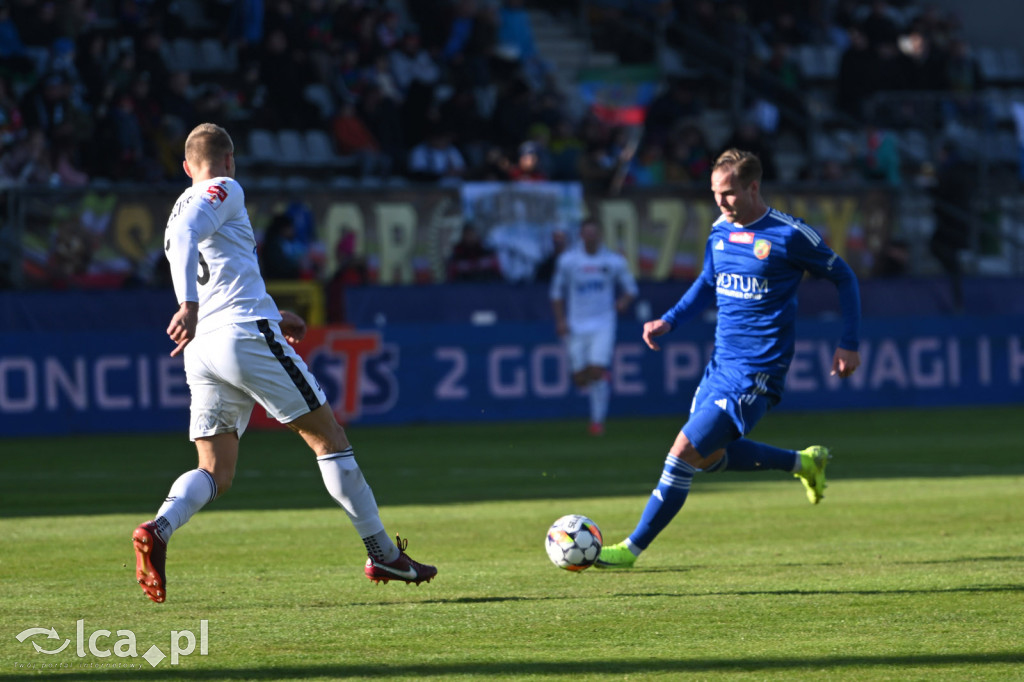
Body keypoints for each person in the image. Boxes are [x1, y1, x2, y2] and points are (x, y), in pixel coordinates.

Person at [132, 123, 436, 603]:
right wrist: (188, 304)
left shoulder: (175, 212)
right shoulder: (225, 187)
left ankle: (159, 527)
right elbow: (197, 243)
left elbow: (220, 267)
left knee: (214, 469)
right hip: (240, 336)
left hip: (204, 349)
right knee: (328, 439)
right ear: (228, 161)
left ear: (185, 166)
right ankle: (382, 553)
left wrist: (268, 311)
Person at [596, 148, 861, 569]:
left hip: (758, 371)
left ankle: (630, 550)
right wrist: (670, 320)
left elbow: (844, 276)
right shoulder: (720, 230)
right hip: (720, 367)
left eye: (729, 194)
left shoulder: (789, 235)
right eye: (716, 193)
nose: (720, 202)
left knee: (681, 454)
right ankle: (804, 462)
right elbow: (707, 281)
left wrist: (849, 342)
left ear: (753, 187)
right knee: (710, 458)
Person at [550, 219, 638, 436]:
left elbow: (630, 289)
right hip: (575, 324)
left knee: (596, 371)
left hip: (603, 323)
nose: (590, 237)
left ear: (599, 235)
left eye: (593, 233)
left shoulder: (613, 261)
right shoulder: (568, 260)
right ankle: (596, 377)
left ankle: (597, 421)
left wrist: (623, 302)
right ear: (581, 235)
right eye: (586, 233)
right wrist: (560, 320)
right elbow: (556, 293)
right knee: (580, 378)